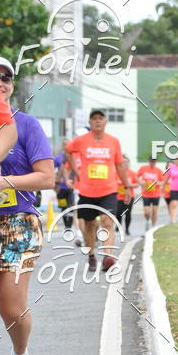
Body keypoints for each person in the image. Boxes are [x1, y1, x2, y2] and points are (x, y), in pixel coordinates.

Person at [0, 57, 54, 355]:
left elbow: (47, 178)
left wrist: (5, 181)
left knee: (12, 310)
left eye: (6, 77)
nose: (0, 82)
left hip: (19, 222)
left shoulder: (26, 125)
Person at [65, 110, 129, 272]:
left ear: (105, 121)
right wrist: (76, 172)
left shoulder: (113, 141)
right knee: (90, 224)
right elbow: (68, 151)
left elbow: (120, 165)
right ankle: (92, 255)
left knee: (107, 222)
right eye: (94, 119)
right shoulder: (81, 141)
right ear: (90, 122)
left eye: (101, 118)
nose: (98, 121)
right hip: (86, 190)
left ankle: (108, 257)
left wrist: (126, 186)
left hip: (108, 189)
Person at [137, 156, 165, 229]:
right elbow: (136, 177)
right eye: (151, 161)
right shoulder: (143, 168)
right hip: (145, 194)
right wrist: (141, 182)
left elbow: (163, 182)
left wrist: (159, 183)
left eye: (154, 161)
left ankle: (153, 227)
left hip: (156, 193)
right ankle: (147, 220)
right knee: (147, 212)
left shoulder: (158, 170)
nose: (153, 163)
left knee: (154, 211)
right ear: (149, 161)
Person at [54, 138, 75, 229]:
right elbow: (50, 169)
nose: (66, 146)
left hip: (71, 187)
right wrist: (55, 182)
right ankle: (66, 226)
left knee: (70, 207)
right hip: (61, 188)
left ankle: (69, 226)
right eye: (64, 144)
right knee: (63, 207)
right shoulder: (58, 158)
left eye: (67, 144)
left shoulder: (74, 157)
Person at [116, 155, 138, 236]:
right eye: (123, 162)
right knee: (118, 213)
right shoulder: (117, 172)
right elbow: (114, 182)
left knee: (128, 213)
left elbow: (137, 184)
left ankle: (127, 229)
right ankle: (118, 226)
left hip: (130, 196)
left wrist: (128, 185)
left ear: (129, 163)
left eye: (126, 162)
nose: (125, 164)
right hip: (119, 196)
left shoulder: (132, 173)